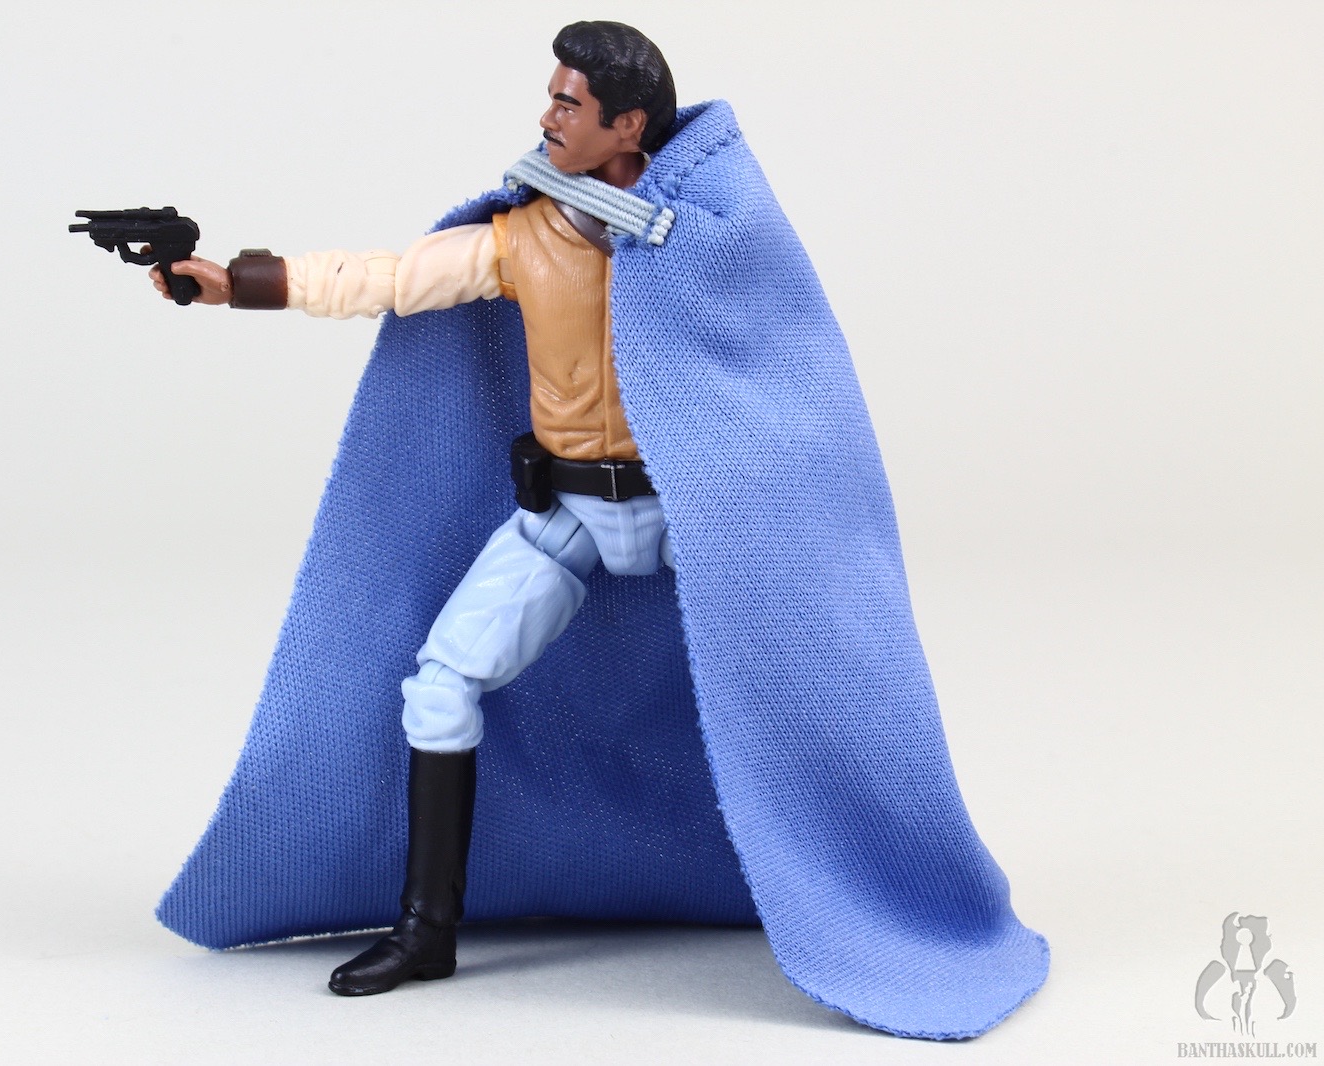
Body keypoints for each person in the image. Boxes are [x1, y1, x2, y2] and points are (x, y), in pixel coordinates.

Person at [145, 21, 1048, 1039]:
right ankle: (426, 927)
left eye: (569, 103)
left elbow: (786, 364)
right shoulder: (523, 236)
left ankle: (854, 896)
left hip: (693, 517)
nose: (547, 115)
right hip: (567, 513)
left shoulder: (699, 234)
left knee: (798, 681)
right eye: (551, 96)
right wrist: (235, 282)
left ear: (627, 126)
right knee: (439, 686)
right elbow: (389, 278)